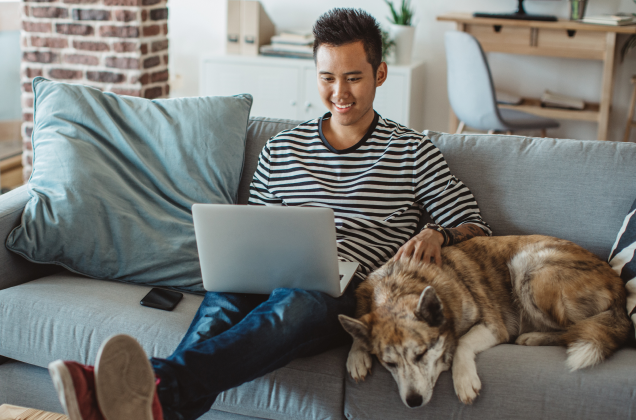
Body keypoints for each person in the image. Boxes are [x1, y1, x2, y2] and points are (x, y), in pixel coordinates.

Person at [48, 8, 491, 420]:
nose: (340, 93)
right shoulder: (280, 149)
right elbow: (253, 230)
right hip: (265, 274)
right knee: (220, 309)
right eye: (327, 78)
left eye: (354, 78)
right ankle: (153, 404)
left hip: (346, 291)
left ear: (380, 74)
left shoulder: (412, 151)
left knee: (291, 304)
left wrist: (439, 234)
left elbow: (477, 225)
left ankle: (146, 392)